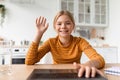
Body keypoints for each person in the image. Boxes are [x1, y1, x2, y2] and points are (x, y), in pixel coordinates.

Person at [25, 10, 105, 78]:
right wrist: (39, 33)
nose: (63, 26)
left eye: (68, 23)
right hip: (56, 76)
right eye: (59, 24)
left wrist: (89, 64)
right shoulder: (51, 42)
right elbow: (29, 61)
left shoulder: (80, 42)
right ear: (54, 27)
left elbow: (100, 60)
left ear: (73, 26)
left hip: (76, 75)